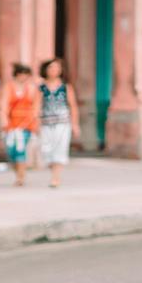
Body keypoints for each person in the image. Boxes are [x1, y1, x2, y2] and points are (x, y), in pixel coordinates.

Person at [38, 58, 82, 188]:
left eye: (57, 68)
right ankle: (53, 169)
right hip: (45, 122)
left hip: (62, 122)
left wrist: (75, 124)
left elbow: (73, 106)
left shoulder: (65, 87)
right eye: (51, 68)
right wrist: (34, 121)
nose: (54, 70)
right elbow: (36, 105)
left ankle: (55, 178)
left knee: (60, 148)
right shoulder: (41, 87)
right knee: (46, 150)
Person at [1, 63, 39, 186]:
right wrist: (4, 119)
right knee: (11, 151)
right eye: (20, 74)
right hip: (11, 123)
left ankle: (20, 178)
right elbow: (4, 104)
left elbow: (36, 106)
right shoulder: (9, 87)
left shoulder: (32, 88)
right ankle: (18, 172)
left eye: (25, 74)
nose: (23, 77)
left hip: (26, 123)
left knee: (20, 150)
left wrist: (32, 120)